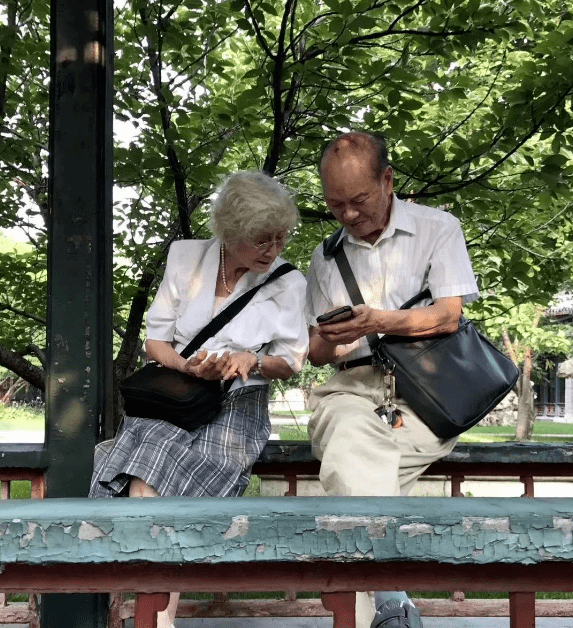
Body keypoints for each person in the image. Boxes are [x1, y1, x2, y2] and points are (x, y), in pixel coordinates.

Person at [89, 171, 309, 628]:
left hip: (239, 405)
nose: (273, 250)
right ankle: (158, 611)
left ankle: (153, 611)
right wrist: (191, 367)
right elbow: (156, 342)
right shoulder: (187, 259)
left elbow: (292, 360)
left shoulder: (289, 282)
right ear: (231, 233)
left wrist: (251, 360)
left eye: (280, 238)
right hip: (179, 396)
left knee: (196, 468)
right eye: (261, 240)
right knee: (148, 465)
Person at [305, 132, 479, 628]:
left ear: (387, 180)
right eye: (335, 203)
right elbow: (317, 355)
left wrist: (375, 320)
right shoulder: (325, 256)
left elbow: (447, 316)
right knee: (347, 430)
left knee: (352, 463)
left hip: (427, 396)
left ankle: (373, 602)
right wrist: (329, 335)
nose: (348, 214)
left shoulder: (438, 228)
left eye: (358, 200)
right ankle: (390, 598)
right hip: (351, 389)